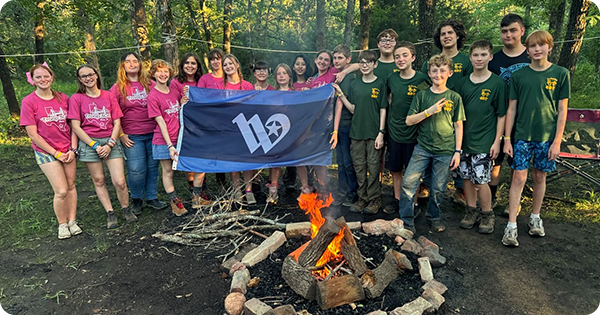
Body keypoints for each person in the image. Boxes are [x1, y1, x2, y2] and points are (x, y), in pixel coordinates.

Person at [502, 30, 570, 247]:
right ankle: (511, 225)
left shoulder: (560, 74)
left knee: (540, 177)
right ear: (527, 50)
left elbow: (562, 109)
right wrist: (506, 139)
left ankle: (535, 217)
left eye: (541, 45)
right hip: (521, 136)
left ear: (550, 47)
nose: (537, 49)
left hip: (546, 138)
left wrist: (557, 141)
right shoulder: (519, 76)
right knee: (518, 178)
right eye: (532, 46)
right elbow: (511, 109)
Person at [399, 55, 465, 233]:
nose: (438, 74)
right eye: (434, 70)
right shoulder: (422, 95)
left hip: (445, 150)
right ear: (429, 73)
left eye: (442, 70)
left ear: (450, 73)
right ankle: (406, 220)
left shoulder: (454, 97)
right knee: (408, 183)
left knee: (438, 188)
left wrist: (457, 151)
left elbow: (458, 125)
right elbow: (409, 120)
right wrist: (429, 111)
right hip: (422, 148)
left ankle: (433, 217)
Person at [70, 64, 136, 229]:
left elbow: (117, 121)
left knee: (119, 181)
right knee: (99, 180)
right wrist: (94, 145)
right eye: (83, 76)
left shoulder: (108, 96)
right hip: (89, 142)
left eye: (90, 74)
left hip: (110, 140)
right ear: (79, 79)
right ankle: (110, 212)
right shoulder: (76, 99)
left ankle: (126, 208)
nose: (88, 78)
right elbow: (76, 126)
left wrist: (111, 143)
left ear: (96, 75)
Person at [20, 64, 80, 239]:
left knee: (71, 186)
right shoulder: (29, 102)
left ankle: (72, 221)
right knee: (61, 190)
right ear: (32, 80)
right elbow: (33, 134)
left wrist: (73, 149)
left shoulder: (63, 98)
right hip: (46, 151)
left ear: (51, 77)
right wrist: (56, 153)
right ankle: (62, 224)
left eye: (45, 76)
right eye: (38, 77)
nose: (43, 80)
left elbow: (73, 126)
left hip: (68, 148)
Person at [455, 40, 507, 234]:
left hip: (485, 141)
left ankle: (487, 213)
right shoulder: (462, 84)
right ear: (470, 58)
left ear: (490, 57)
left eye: (483, 55)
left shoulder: (497, 83)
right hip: (464, 141)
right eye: (475, 55)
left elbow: (501, 114)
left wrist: (497, 141)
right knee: (466, 178)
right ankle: (471, 210)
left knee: (481, 179)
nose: (479, 59)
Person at [420, 19, 472, 207]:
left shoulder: (466, 61)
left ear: (458, 35)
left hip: (459, 110)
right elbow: (421, 83)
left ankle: (460, 188)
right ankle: (425, 184)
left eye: (450, 33)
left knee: (459, 148)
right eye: (443, 34)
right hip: (433, 113)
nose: (447, 36)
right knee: (429, 147)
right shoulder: (431, 62)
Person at [110, 52, 166, 216]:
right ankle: (136, 199)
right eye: (128, 62)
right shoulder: (117, 88)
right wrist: (121, 135)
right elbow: (113, 113)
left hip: (153, 133)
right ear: (123, 66)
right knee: (136, 169)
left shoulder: (151, 84)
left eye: (135, 61)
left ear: (140, 65)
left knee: (152, 167)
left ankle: (152, 197)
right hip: (131, 135)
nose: (132, 64)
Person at [333, 50, 387, 214]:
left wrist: (381, 132)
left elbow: (383, 109)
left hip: (373, 133)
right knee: (359, 167)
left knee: (373, 166)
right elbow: (353, 108)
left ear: (374, 64)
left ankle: (374, 199)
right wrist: (341, 94)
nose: (364, 65)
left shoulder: (380, 84)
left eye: (368, 62)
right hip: (356, 132)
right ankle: (362, 198)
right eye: (362, 62)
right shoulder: (355, 83)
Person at [488, 13, 530, 213]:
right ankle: (492, 197)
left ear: (522, 31)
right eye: (504, 31)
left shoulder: (531, 57)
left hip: (524, 120)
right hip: (496, 119)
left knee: (517, 163)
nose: (508, 35)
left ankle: (515, 201)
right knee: (495, 162)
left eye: (513, 30)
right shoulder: (493, 60)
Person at [383, 42, 430, 214]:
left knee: (413, 172)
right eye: (397, 56)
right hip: (394, 132)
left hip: (414, 135)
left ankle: (413, 203)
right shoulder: (392, 78)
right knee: (395, 169)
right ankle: (397, 200)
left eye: (404, 55)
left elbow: (429, 100)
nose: (400, 59)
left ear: (413, 58)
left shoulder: (421, 79)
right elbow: (389, 97)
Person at [147, 59, 192, 216]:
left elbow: (178, 111)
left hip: (179, 138)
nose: (163, 74)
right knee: (168, 172)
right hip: (163, 141)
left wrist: (183, 100)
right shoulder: (153, 96)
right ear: (153, 74)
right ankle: (175, 202)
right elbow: (160, 122)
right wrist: (169, 145)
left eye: (166, 71)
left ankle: (196, 195)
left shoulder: (173, 90)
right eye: (159, 71)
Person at [218, 53, 257, 204]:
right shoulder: (221, 87)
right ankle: (237, 190)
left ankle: (249, 190)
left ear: (237, 65)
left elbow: (254, 106)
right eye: (225, 65)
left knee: (246, 161)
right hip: (227, 129)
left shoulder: (247, 85)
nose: (228, 67)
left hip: (245, 127)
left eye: (230, 63)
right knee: (233, 162)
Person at [170, 52, 208, 195]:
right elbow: (171, 105)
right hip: (185, 126)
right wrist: (181, 103)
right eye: (187, 63)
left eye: (193, 63)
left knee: (202, 156)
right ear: (182, 65)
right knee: (189, 157)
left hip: (202, 125)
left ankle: (202, 187)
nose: (190, 66)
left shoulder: (202, 81)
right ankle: (194, 188)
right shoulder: (175, 82)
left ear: (198, 66)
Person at [330, 44, 358, 207]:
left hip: (346, 125)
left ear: (348, 59)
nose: (336, 60)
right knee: (340, 162)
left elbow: (340, 103)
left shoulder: (350, 78)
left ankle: (352, 192)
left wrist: (335, 130)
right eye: (335, 57)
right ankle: (342, 191)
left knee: (348, 162)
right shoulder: (336, 75)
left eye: (340, 57)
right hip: (337, 126)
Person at [265, 63, 295, 204]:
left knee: (299, 160)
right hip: (276, 132)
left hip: (292, 133)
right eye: (279, 73)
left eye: (284, 73)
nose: (281, 76)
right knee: (275, 161)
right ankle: (273, 191)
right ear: (275, 77)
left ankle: (305, 190)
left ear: (289, 76)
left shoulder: (296, 94)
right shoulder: (271, 94)